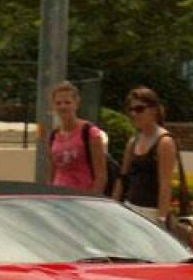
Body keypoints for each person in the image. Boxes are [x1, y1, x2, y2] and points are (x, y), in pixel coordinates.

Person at [113, 85, 178, 224]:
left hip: (151, 212)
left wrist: (161, 218)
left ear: (154, 110)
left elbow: (165, 184)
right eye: (131, 110)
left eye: (139, 109)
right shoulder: (133, 141)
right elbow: (122, 178)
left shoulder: (164, 142)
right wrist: (113, 207)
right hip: (130, 208)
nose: (134, 114)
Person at [46, 80, 109, 195]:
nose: (63, 107)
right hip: (58, 198)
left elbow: (101, 176)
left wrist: (91, 201)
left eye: (67, 102)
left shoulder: (89, 133)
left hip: (81, 198)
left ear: (76, 104)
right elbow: (52, 172)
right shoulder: (53, 135)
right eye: (58, 103)